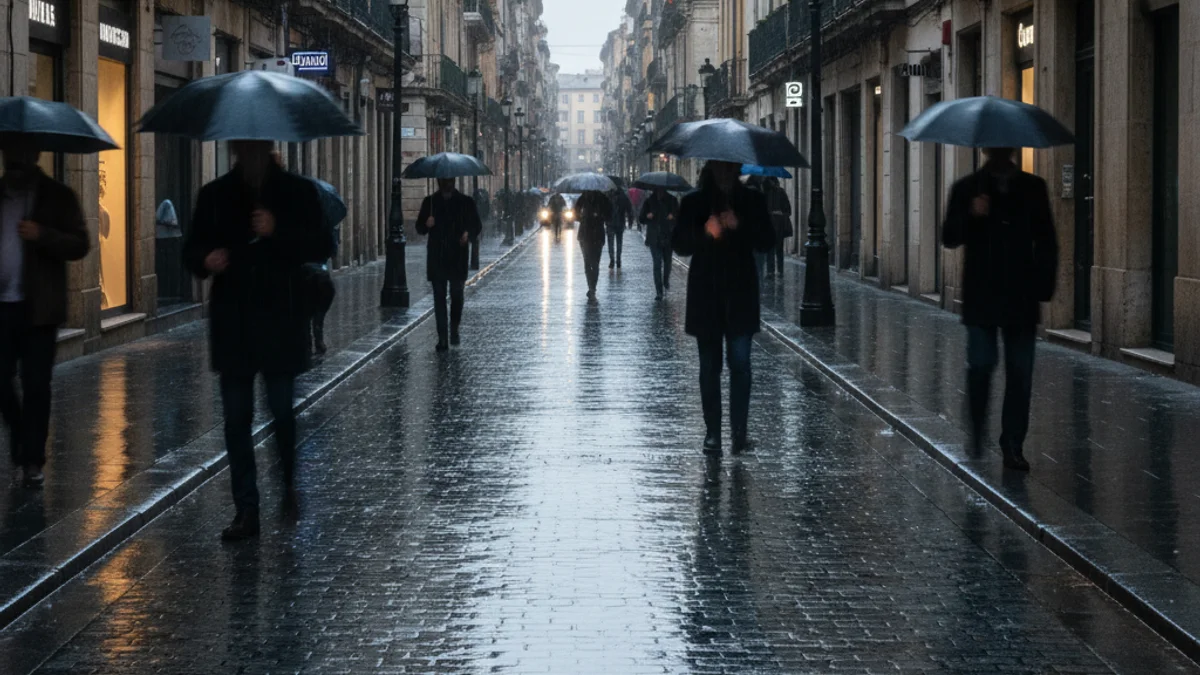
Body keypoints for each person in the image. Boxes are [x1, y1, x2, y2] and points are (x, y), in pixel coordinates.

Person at [184, 140, 330, 540]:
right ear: (235, 150)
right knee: (236, 420)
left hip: (281, 320)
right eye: (242, 147)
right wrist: (205, 260)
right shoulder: (214, 196)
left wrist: (277, 230)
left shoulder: (297, 192)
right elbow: (191, 249)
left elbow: (322, 245)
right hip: (234, 323)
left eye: (254, 147)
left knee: (283, 412)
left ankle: (286, 485)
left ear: (266, 148)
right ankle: (246, 509)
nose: (247, 154)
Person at [943, 146, 1058, 472]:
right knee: (980, 365)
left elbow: (1047, 239)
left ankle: (1013, 445)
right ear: (986, 150)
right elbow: (948, 237)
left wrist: (1042, 287)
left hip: (1021, 296)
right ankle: (977, 431)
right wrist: (970, 214)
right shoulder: (967, 188)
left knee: (1020, 374)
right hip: (982, 295)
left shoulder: (1033, 188)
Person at [0, 141, 89, 488]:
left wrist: (42, 235)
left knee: (37, 386)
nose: (15, 160)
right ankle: (23, 437)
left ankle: (32, 460)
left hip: (40, 309)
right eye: (10, 154)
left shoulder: (58, 196)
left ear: (35, 155)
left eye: (22, 154)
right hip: (2, 308)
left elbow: (80, 243)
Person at [672, 160, 774, 455]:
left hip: (740, 296)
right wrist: (706, 231)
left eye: (731, 168)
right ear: (712, 169)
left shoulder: (752, 200)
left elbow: (767, 240)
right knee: (709, 368)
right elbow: (679, 244)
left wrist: (738, 225)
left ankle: (739, 433)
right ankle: (713, 433)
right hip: (707, 297)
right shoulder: (693, 202)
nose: (726, 174)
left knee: (741, 365)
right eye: (721, 168)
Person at [416, 178, 483, 351]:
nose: (446, 184)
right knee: (439, 298)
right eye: (443, 181)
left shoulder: (465, 202)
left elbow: (476, 225)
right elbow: (419, 228)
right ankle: (442, 338)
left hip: (457, 256)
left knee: (457, 295)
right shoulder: (430, 202)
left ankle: (454, 328)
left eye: (449, 180)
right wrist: (426, 224)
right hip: (437, 256)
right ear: (439, 182)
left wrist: (468, 233)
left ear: (453, 182)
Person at [639, 185, 680, 300]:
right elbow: (641, 218)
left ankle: (665, 280)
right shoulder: (649, 202)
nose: (659, 192)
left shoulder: (672, 200)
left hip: (668, 236)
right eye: (657, 190)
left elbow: (680, 216)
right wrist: (647, 216)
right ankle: (659, 291)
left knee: (667, 262)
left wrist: (673, 216)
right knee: (657, 264)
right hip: (654, 237)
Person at [574, 189, 611, 301]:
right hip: (585, 234)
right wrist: (583, 218)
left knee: (594, 262)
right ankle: (591, 287)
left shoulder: (602, 198)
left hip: (597, 234)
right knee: (588, 262)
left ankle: (592, 288)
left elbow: (609, 215)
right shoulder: (583, 197)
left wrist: (599, 217)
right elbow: (575, 213)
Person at [763, 177, 793, 279]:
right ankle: (775, 271)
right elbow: (788, 210)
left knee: (775, 249)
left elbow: (788, 210)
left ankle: (774, 271)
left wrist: (779, 213)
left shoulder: (778, 192)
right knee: (774, 249)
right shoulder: (766, 193)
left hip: (777, 225)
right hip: (773, 225)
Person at [607, 181, 633, 269]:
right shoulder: (623, 196)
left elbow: (604, 209)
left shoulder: (608, 195)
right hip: (620, 223)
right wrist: (630, 221)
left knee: (611, 243)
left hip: (610, 223)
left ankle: (612, 260)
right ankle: (618, 260)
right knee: (619, 243)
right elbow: (629, 209)